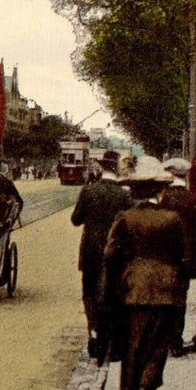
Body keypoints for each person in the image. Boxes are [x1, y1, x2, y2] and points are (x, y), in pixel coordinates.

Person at [101, 157, 187, 390]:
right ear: (159, 191)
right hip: (166, 287)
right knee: (159, 340)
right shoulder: (172, 219)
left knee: (134, 340)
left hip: (134, 288)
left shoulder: (125, 218)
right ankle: (146, 386)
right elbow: (183, 254)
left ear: (136, 191)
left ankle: (132, 385)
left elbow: (110, 254)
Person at [70, 150, 135, 359]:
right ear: (116, 168)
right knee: (114, 298)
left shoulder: (88, 192)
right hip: (115, 255)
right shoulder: (124, 195)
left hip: (90, 255)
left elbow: (76, 219)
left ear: (100, 167)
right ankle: (114, 345)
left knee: (90, 297)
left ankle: (95, 338)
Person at [158, 156, 196, 355]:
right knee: (180, 300)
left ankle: (163, 340)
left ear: (170, 176)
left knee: (163, 299)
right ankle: (175, 341)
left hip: (164, 260)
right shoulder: (194, 200)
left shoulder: (164, 200)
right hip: (186, 261)